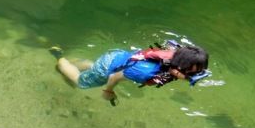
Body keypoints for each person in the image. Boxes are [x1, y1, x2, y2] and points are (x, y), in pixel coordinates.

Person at [50, 40, 210, 106]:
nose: (193, 77)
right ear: (177, 68)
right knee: (80, 82)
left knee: (95, 68)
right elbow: (115, 76)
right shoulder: (145, 72)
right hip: (109, 68)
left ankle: (83, 64)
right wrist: (108, 90)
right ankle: (59, 58)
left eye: (198, 73)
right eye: (190, 76)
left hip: (118, 57)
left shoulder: (176, 54)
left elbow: (169, 45)